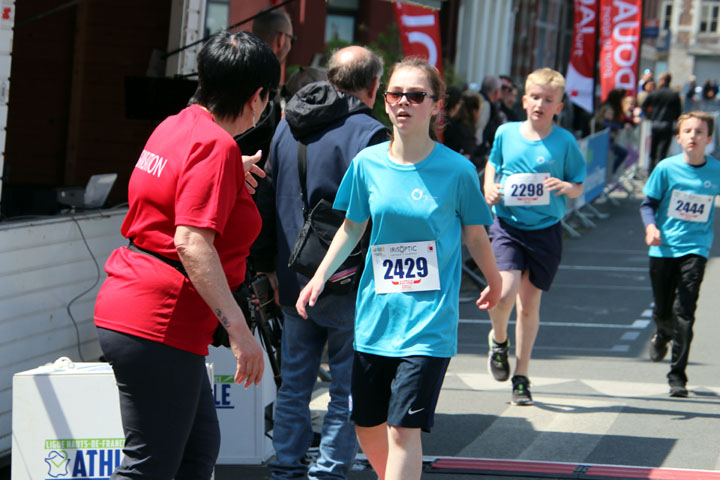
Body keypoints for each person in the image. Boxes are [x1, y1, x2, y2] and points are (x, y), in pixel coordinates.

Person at [296, 57, 502, 480]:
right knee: (367, 425)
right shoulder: (367, 164)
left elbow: (477, 236)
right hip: (376, 318)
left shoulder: (458, 170)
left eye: (416, 95)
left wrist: (495, 281)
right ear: (384, 102)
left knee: (403, 429)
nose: (403, 102)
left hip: (428, 324)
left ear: (436, 105)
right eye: (395, 94)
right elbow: (352, 228)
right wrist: (319, 276)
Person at [92, 31, 280, 479]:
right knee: (150, 467)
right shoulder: (215, 147)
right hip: (160, 318)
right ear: (258, 97)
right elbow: (190, 241)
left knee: (196, 454)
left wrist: (229, 170)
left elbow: (169, 193)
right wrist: (238, 329)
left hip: (143, 310)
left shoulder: (176, 125)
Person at [257, 46, 389, 480]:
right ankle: (330, 471)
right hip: (348, 279)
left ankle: (286, 468)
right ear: (374, 86)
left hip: (292, 275)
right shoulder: (369, 133)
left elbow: (265, 200)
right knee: (347, 389)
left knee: (294, 383)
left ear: (331, 78)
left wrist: (269, 267)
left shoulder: (284, 125)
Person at [483, 67, 586, 406]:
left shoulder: (565, 142)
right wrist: (489, 188)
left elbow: (578, 186)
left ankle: (522, 376)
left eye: (549, 100)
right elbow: (493, 165)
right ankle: (499, 343)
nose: (541, 104)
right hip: (508, 226)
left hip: (545, 231)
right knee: (503, 294)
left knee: (529, 307)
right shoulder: (506, 133)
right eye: (536, 98)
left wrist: (565, 187)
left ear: (559, 106)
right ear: (525, 100)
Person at [639, 111, 720, 398]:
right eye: (688, 131)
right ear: (678, 137)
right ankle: (662, 333)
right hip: (663, 247)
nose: (693, 137)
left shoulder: (715, 171)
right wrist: (651, 228)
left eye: (699, 132)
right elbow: (648, 204)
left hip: (696, 248)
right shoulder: (666, 168)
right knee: (663, 311)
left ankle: (677, 376)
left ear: (708, 139)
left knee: (684, 312)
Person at [642, 71, 682, 173]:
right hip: (667, 125)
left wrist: (650, 116)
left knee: (653, 150)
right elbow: (678, 113)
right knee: (662, 151)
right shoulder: (673, 95)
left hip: (655, 124)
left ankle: (651, 171)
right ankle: (660, 171)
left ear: (663, 81)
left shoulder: (655, 93)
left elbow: (644, 106)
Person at [444, 89, 484, 169]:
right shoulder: (463, 130)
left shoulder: (452, 124)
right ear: (474, 111)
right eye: (480, 110)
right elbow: (468, 156)